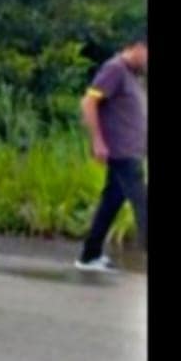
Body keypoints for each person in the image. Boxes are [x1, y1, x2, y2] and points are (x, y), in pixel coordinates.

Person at [75, 33, 148, 271]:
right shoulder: (115, 69)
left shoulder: (132, 75)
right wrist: (98, 141)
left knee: (111, 203)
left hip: (131, 151)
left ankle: (89, 255)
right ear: (137, 47)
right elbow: (88, 101)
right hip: (121, 152)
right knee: (142, 202)